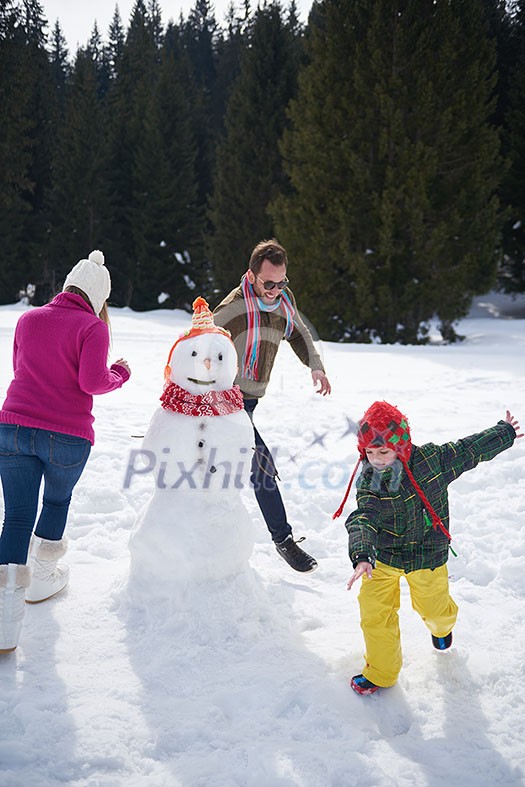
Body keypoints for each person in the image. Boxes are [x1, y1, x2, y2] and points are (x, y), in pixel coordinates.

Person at [333, 400, 522, 695]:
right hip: (383, 556)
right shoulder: (370, 477)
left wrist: (504, 433)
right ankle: (381, 673)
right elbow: (363, 516)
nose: (377, 459)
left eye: (383, 451)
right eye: (369, 452)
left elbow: (468, 450)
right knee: (374, 612)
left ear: (401, 445)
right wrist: (362, 554)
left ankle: (443, 628)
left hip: (426, 554)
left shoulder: (432, 461)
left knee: (434, 609)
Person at [0, 250, 131, 654]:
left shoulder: (28, 318)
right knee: (56, 501)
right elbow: (92, 382)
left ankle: (5, 622)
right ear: (98, 296)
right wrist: (120, 374)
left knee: (16, 517)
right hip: (67, 438)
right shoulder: (93, 327)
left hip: (13, 429)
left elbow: (21, 368)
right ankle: (41, 581)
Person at [213, 238, 331, 572]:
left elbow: (297, 330)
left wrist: (315, 365)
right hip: (226, 401)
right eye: (269, 283)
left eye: (282, 282)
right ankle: (284, 541)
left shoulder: (283, 301)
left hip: (249, 401)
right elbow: (199, 346)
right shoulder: (232, 311)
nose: (275, 289)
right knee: (260, 466)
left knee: (228, 468)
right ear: (251, 276)